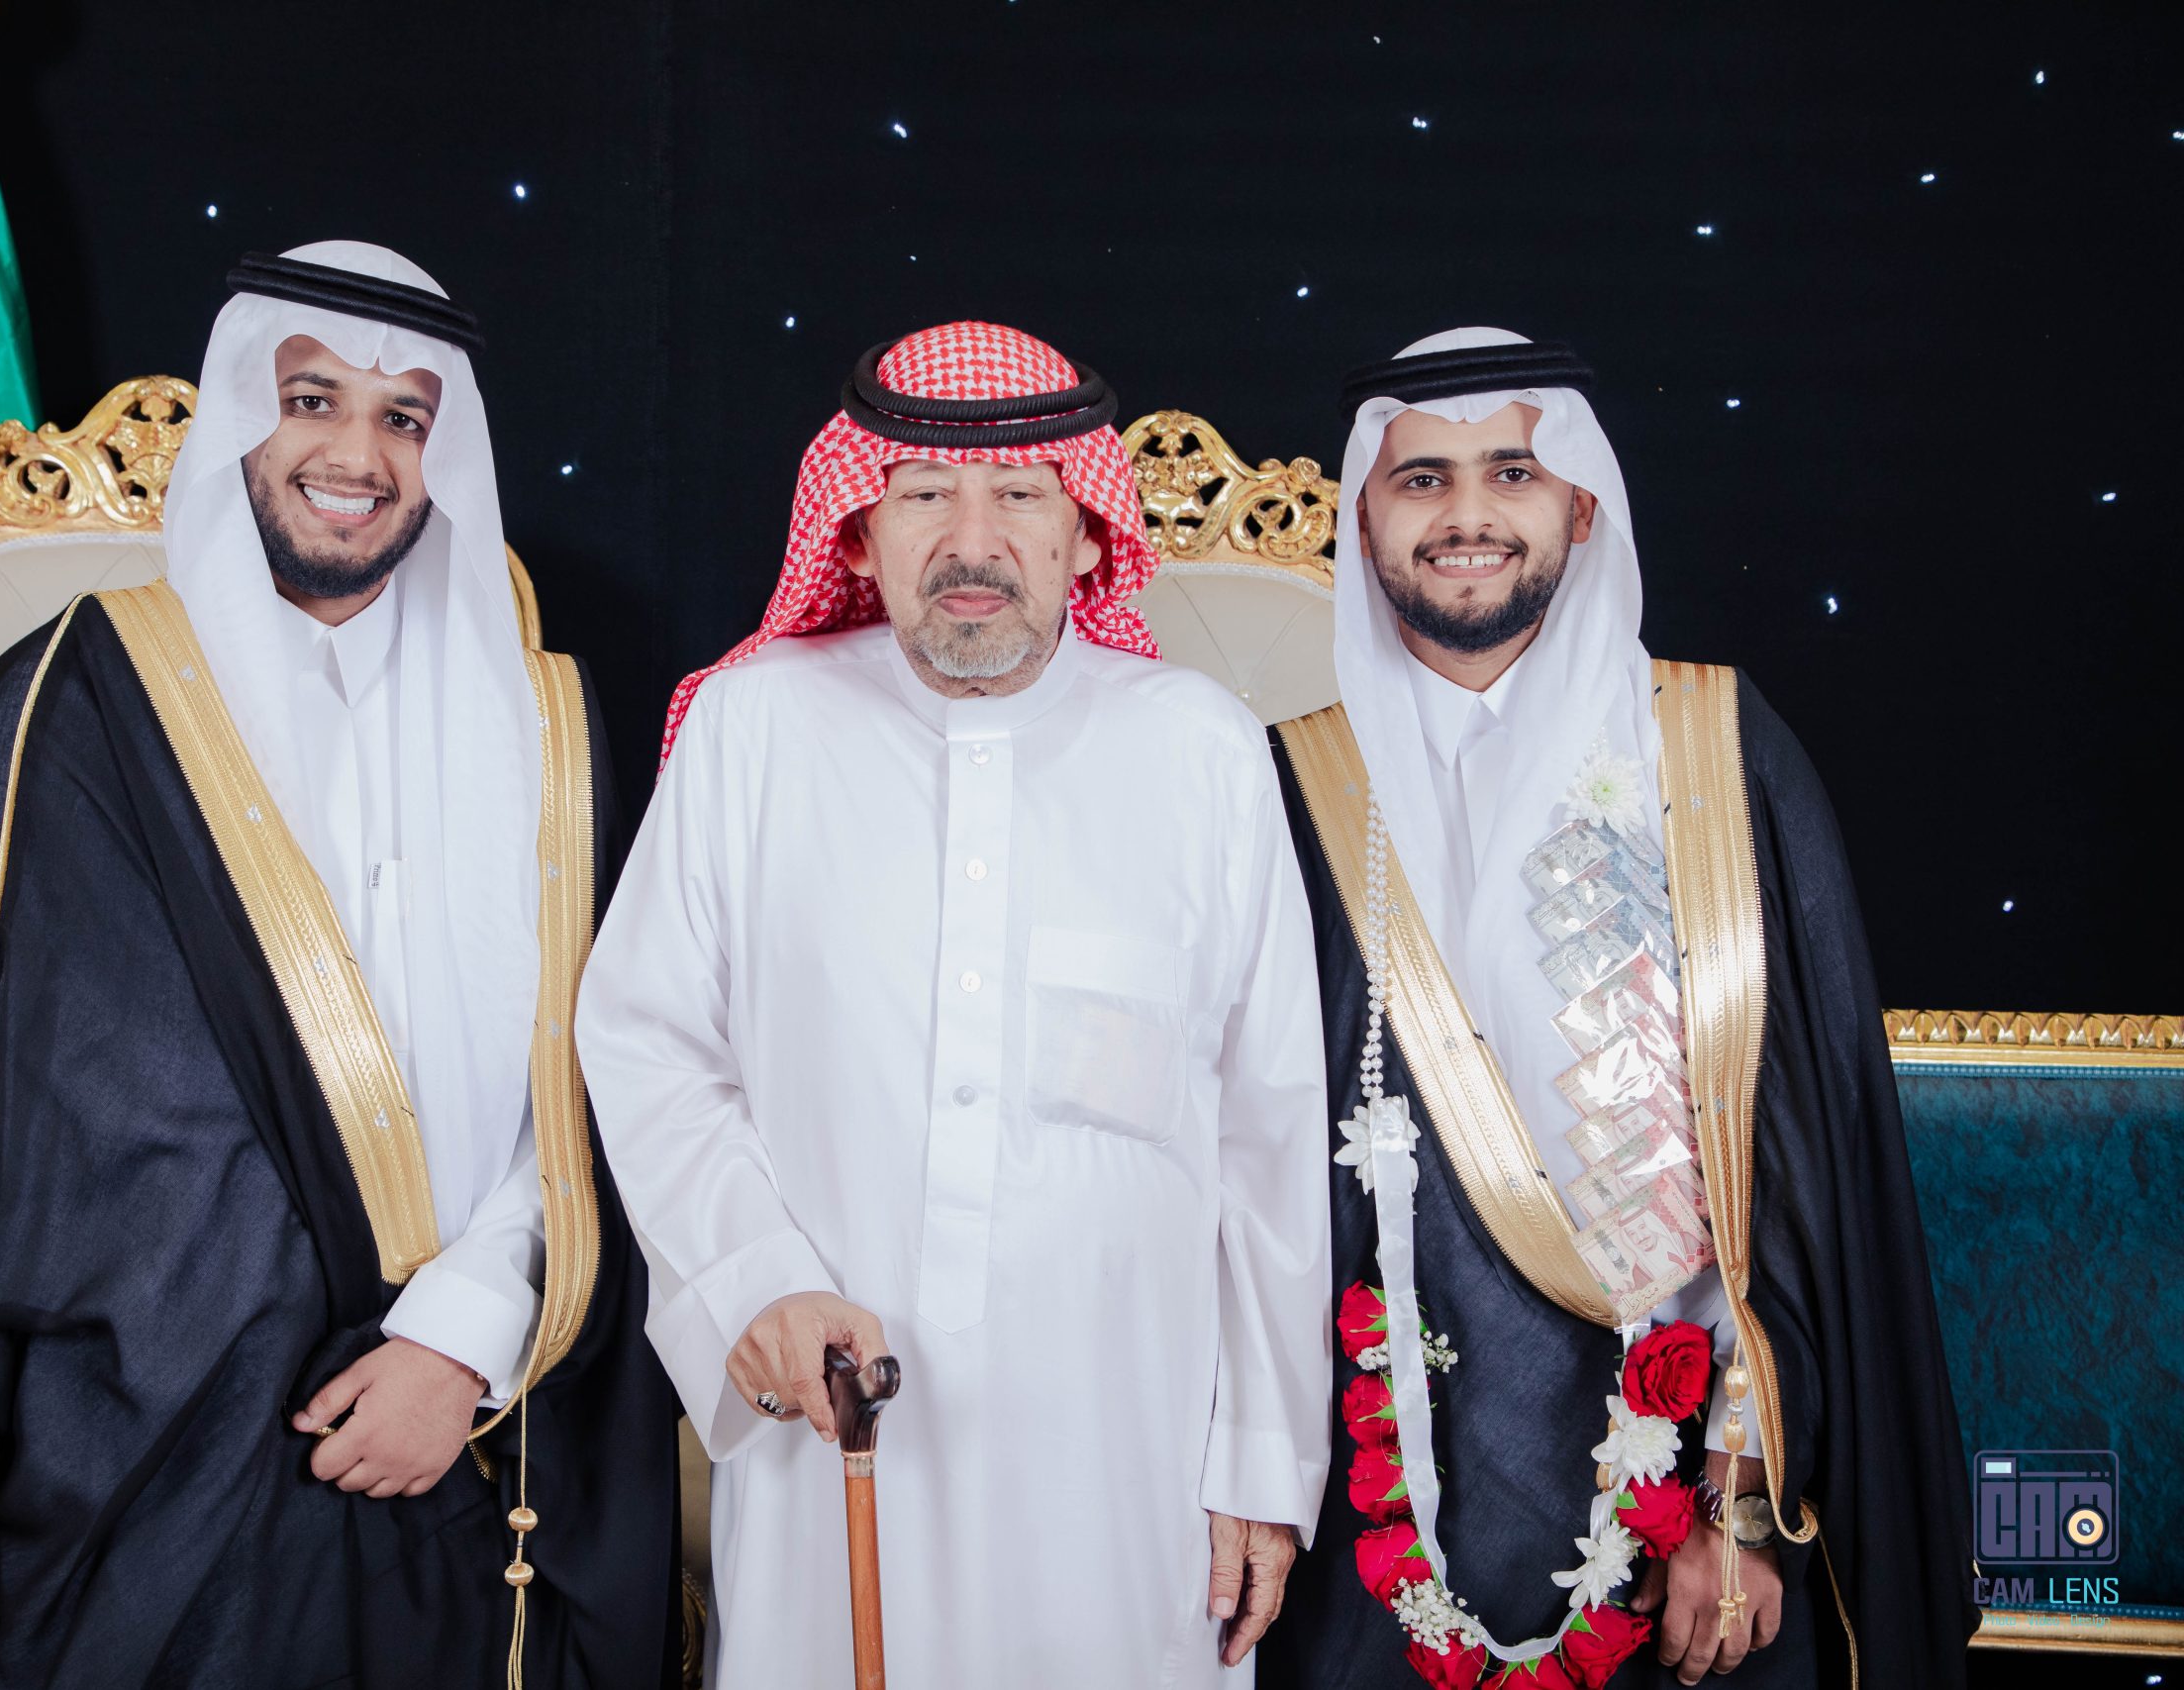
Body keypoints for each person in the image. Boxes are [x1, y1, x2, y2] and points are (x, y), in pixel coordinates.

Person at [0, 242, 681, 1688]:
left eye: (403, 418)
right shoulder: (67, 701)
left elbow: (599, 1087)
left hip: (462, 1442)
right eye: (311, 399)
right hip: (133, 1455)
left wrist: (466, 1338)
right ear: (238, 424)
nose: (357, 455)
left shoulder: (547, 732)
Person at [576, 321, 1333, 1686]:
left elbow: (1269, 1133)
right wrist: (757, 1279)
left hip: (1131, 1462)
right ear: (859, 535)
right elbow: (647, 1039)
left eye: (1020, 496)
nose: (971, 541)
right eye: (924, 493)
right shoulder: (755, 729)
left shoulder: (1199, 748)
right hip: (834, 1427)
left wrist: (1263, 1462)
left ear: (1087, 537)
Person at [1257, 330, 1975, 1688]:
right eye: (1422, 479)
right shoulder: (1288, 791)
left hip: (1684, 1505)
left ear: (1580, 506)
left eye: (1512, 471)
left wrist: (1740, 1503)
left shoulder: (1711, 751)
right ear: (1364, 516)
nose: (1468, 515)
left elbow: (1795, 1170)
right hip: (1376, 1503)